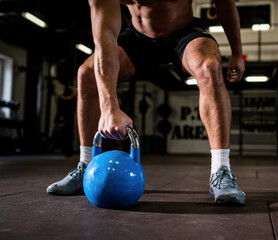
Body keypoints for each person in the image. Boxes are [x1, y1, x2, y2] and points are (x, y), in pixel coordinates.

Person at [47, 0, 246, 204]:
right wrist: (109, 107)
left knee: (209, 67)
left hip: (184, 32)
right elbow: (104, 36)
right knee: (86, 74)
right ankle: (86, 166)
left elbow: (224, 2)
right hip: (138, 37)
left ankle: (221, 171)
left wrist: (237, 52)